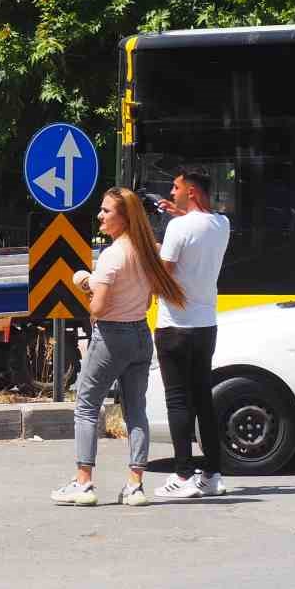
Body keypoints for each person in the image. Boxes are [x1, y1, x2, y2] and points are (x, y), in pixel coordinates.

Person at [52, 188, 185, 508]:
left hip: (112, 337)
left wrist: (85, 282)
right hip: (141, 334)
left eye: (106, 211)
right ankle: (135, 485)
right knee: (135, 411)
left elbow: (98, 307)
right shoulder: (148, 251)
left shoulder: (113, 255)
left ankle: (83, 483)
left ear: (124, 217)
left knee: (85, 406)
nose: (100, 216)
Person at [153, 167, 233, 499]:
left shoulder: (177, 228)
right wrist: (179, 216)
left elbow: (163, 275)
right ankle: (212, 474)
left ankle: (183, 474)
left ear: (192, 192)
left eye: (175, 187)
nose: (171, 193)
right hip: (205, 325)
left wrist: (155, 241)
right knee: (203, 398)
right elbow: (198, 231)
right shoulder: (223, 225)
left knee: (178, 400)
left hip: (175, 326)